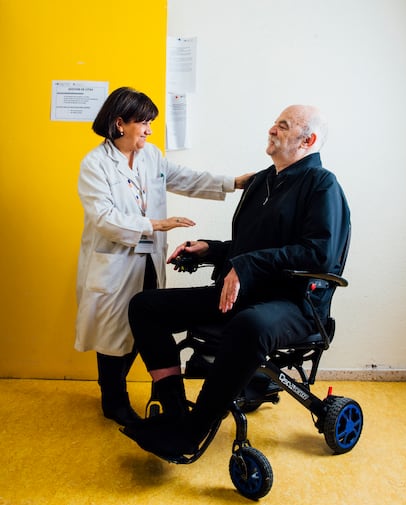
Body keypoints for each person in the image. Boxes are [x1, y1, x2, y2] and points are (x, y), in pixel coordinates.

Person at [122, 104, 351, 458]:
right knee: (145, 306)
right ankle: (174, 409)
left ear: (309, 140)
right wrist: (209, 250)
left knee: (248, 324)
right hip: (240, 296)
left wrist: (246, 263)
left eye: (283, 126)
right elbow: (247, 249)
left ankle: (192, 431)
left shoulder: (322, 185)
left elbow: (319, 255)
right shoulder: (261, 181)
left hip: (293, 304)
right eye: (274, 123)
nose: (272, 130)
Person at [75, 86, 250, 426]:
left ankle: (156, 394)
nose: (150, 130)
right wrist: (156, 224)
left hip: (147, 259)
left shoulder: (151, 156)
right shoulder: (95, 164)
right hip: (115, 261)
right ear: (120, 122)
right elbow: (105, 219)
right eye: (144, 123)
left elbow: (186, 178)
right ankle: (113, 399)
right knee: (113, 334)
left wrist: (235, 183)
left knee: (145, 322)